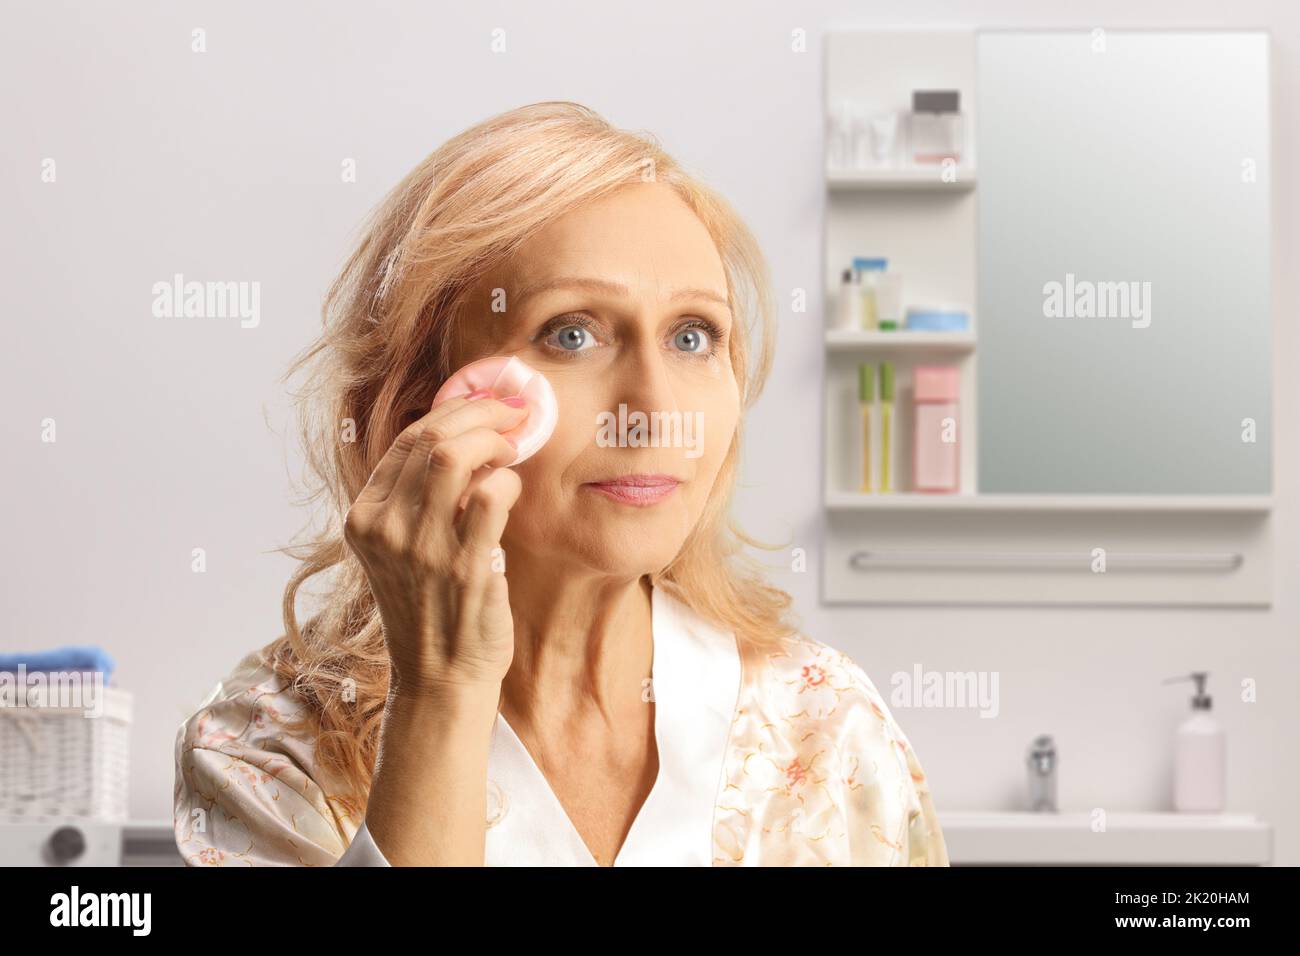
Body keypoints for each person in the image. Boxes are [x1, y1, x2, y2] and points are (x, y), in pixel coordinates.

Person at [172, 101, 948, 867]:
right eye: (571, 334)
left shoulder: (826, 725)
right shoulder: (268, 751)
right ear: (418, 402)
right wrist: (441, 694)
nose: (654, 411)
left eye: (692, 336)